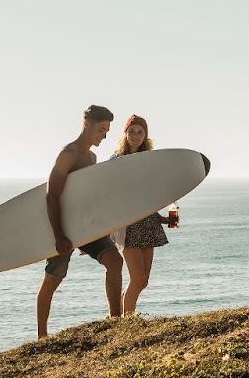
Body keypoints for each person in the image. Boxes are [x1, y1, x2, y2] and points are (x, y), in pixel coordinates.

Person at [37, 104, 124, 338]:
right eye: (101, 130)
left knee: (115, 261)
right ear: (87, 124)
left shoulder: (92, 157)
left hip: (84, 227)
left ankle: (116, 323)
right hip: (62, 228)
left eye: (107, 131)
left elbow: (85, 198)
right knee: (53, 279)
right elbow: (52, 196)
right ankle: (41, 336)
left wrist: (96, 231)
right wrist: (58, 236)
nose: (104, 136)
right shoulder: (68, 154)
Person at [113, 114, 171, 316]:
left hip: (148, 224)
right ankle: (127, 321)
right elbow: (109, 194)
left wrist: (163, 218)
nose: (135, 136)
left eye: (140, 132)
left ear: (145, 135)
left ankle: (123, 317)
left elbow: (148, 198)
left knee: (143, 281)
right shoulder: (117, 160)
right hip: (129, 226)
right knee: (137, 279)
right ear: (125, 134)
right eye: (131, 131)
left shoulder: (149, 161)